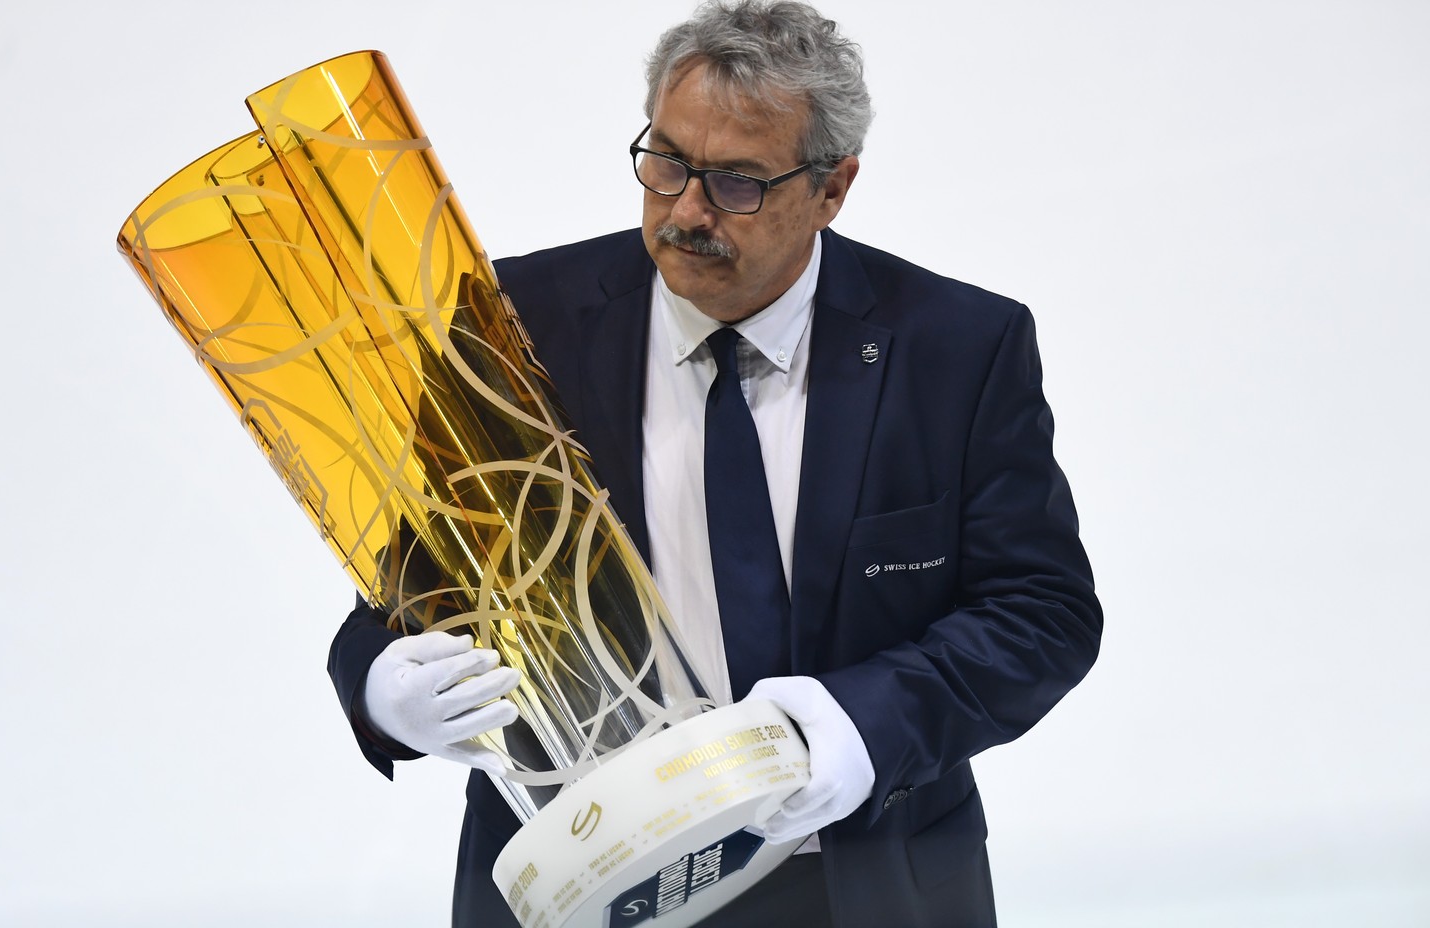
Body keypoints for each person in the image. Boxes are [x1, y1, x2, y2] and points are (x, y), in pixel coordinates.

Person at [327, 2, 1101, 925]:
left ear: (833, 187)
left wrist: (858, 726)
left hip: (863, 878)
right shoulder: (518, 322)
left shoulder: (957, 348)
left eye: (737, 182)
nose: (685, 211)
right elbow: (418, 584)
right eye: (665, 162)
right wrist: (382, 686)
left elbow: (1041, 613)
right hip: (587, 883)